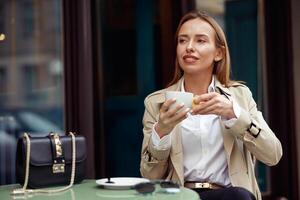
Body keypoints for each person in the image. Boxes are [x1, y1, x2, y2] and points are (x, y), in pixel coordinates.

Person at [140, 10, 282, 200]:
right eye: (183, 40)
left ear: (219, 53)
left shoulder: (239, 96)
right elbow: (150, 176)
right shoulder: (157, 103)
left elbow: (273, 155)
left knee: (238, 196)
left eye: (200, 40)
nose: (189, 47)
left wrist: (234, 114)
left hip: (230, 195)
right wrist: (162, 131)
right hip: (181, 195)